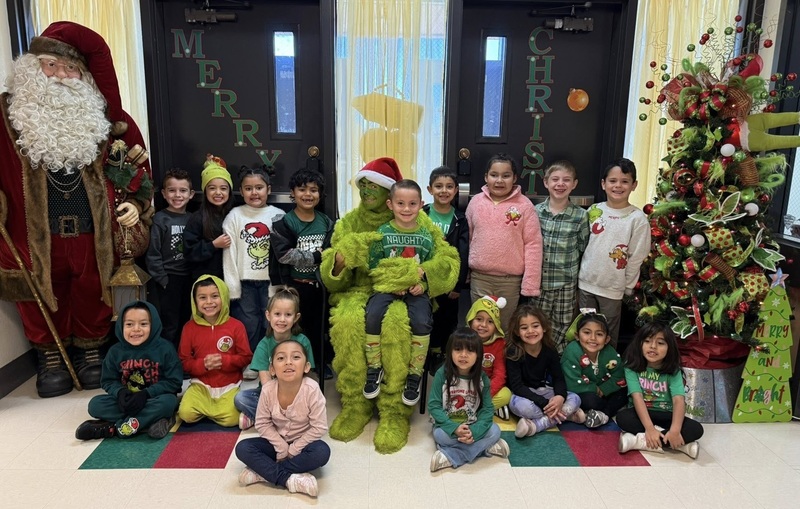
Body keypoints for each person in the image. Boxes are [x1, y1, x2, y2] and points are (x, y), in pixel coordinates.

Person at [0, 21, 154, 398]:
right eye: (51, 65)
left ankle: (90, 351)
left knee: (90, 288)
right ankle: (50, 355)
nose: (60, 76)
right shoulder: (7, 117)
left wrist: (135, 202)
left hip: (91, 230)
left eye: (71, 68)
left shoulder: (107, 122)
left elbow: (139, 169)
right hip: (34, 234)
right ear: (33, 67)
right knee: (40, 289)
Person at [320, 157, 459, 453]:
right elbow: (332, 280)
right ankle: (356, 403)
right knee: (347, 320)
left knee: (397, 322)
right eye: (363, 185)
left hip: (408, 291)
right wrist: (340, 261)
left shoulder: (418, 220)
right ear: (391, 202)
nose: (367, 191)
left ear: (387, 193)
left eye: (374, 186)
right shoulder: (349, 223)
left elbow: (449, 260)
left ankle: (395, 410)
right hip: (359, 290)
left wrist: (423, 275)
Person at [363, 178, 448, 407]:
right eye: (400, 203)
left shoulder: (426, 236)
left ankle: (415, 374)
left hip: (416, 291)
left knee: (421, 321)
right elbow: (374, 266)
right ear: (390, 204)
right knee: (372, 315)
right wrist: (392, 283)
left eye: (412, 204)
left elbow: (432, 268)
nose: (406, 209)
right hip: (386, 288)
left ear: (421, 204)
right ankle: (374, 368)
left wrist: (424, 286)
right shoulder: (382, 233)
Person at [235, 340, 330, 498]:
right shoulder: (268, 389)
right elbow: (262, 423)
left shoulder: (312, 389)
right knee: (243, 448)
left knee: (322, 452)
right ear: (272, 369)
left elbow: (319, 427)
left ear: (306, 367)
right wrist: (281, 447)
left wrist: (293, 449)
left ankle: (263, 473)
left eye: (296, 357)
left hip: (303, 444)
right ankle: (288, 479)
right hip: (276, 442)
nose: (288, 362)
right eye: (281, 358)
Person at [75, 301, 182, 440]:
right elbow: (108, 381)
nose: (136, 329)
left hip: (154, 398)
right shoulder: (115, 352)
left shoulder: (165, 349)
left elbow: (174, 382)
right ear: (121, 326)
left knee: (168, 403)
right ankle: (150, 421)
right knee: (95, 405)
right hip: (126, 400)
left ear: (154, 325)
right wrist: (120, 392)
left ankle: (115, 428)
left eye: (143, 324)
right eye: (129, 324)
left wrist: (147, 393)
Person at [268, 168, 334, 380]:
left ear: (320, 194)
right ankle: (293, 364)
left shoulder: (326, 222)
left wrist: (325, 258)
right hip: (295, 286)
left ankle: (319, 363)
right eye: (302, 189)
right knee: (295, 328)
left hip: (320, 286)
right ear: (292, 193)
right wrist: (316, 256)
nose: (308, 194)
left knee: (319, 327)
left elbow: (331, 252)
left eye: (313, 190)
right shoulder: (284, 222)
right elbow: (284, 254)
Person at [466, 153, 543, 332]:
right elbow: (468, 239)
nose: (499, 180)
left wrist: (530, 285)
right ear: (486, 177)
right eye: (494, 175)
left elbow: (533, 245)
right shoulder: (476, 203)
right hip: (480, 278)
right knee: (480, 327)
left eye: (506, 175)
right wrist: (465, 275)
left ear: (514, 178)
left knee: (505, 327)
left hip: (510, 282)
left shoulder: (525, 206)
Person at [578, 158, 650, 347]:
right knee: (585, 331)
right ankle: (584, 363)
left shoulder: (637, 219)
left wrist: (627, 286)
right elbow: (583, 244)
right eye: (613, 181)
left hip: (613, 289)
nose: (618, 185)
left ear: (634, 185)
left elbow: (637, 256)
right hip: (586, 284)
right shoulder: (594, 211)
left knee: (607, 334)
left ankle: (608, 364)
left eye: (624, 181)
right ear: (603, 184)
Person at [234, 286, 316, 429]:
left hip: (296, 392)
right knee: (241, 398)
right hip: (270, 395)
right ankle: (279, 421)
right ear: (268, 315)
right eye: (277, 314)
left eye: (288, 315)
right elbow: (266, 383)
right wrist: (276, 403)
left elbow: (307, 376)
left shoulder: (303, 342)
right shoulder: (263, 345)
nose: (282, 319)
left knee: (313, 397)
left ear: (296, 317)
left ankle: (265, 419)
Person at [617, 323, 703, 459]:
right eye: (647, 341)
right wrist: (649, 429)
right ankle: (680, 445)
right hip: (642, 414)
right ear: (639, 344)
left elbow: (678, 400)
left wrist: (675, 430)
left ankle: (638, 441)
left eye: (660, 343)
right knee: (623, 418)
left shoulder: (673, 371)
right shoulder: (631, 367)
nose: (653, 346)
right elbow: (637, 397)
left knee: (696, 429)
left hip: (667, 414)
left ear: (670, 348)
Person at [428, 327, 509, 472]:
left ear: (478, 355)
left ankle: (452, 456)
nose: (463, 355)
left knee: (495, 430)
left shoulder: (482, 378)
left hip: (473, 424)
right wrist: (454, 428)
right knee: (440, 436)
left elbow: (487, 409)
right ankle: (485, 448)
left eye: (470, 351)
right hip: (448, 425)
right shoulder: (442, 374)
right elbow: (434, 406)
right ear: (450, 352)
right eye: (458, 349)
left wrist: (474, 432)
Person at [223, 166, 286, 351]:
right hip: (245, 284)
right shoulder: (234, 216)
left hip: (271, 282)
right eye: (248, 188)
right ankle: (250, 359)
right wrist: (232, 287)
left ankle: (272, 358)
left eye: (259, 187)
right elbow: (229, 254)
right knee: (248, 324)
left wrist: (283, 282)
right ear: (241, 191)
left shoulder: (278, 215)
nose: (254, 193)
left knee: (272, 323)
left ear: (268, 189)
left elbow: (283, 252)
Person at [178, 275, 253, 427]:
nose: (209, 302)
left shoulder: (236, 326)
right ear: (195, 301)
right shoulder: (189, 328)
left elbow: (246, 357)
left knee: (231, 420)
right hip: (200, 385)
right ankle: (212, 411)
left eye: (214, 296)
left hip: (229, 385)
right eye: (202, 297)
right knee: (185, 414)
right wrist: (203, 365)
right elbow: (183, 362)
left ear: (224, 297)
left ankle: (214, 411)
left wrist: (225, 361)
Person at [531, 160, 589, 353]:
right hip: (540, 283)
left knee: (562, 327)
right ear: (546, 182)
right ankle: (537, 359)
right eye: (555, 179)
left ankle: (556, 362)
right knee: (537, 323)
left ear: (574, 184)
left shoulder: (580, 216)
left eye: (566, 180)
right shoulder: (535, 212)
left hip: (566, 284)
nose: (560, 184)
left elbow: (583, 247)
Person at [505, 304, 582, 437]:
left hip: (542, 391)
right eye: (524, 328)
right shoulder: (513, 351)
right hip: (522, 396)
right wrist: (544, 403)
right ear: (517, 332)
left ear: (544, 327)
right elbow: (517, 387)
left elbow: (558, 378)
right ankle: (565, 416)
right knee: (525, 409)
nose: (530, 331)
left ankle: (537, 425)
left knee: (575, 398)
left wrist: (559, 397)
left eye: (535, 326)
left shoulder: (549, 349)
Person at [422, 166, 469, 366]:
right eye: (439, 186)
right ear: (430, 189)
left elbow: (464, 253)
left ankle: (443, 352)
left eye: (449, 186)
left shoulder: (460, 219)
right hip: (425, 277)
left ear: (456, 190)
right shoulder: (422, 214)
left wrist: (458, 285)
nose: (444, 191)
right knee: (426, 316)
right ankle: (427, 353)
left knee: (447, 317)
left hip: (449, 280)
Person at [146, 168, 195, 348]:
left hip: (189, 278)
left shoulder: (193, 219)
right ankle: (168, 355)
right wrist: (162, 279)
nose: (177, 195)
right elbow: (153, 253)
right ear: (164, 194)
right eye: (172, 190)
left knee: (185, 320)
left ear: (191, 194)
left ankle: (182, 356)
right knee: (169, 322)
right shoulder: (160, 219)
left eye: (183, 190)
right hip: (168, 279)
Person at [560, 310, 627, 428]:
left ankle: (603, 415)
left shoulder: (609, 352)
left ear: (606, 339)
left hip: (602, 391)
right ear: (577, 335)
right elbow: (571, 383)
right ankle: (601, 411)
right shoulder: (572, 351)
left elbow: (619, 375)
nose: (593, 338)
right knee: (591, 401)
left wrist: (604, 389)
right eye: (587, 332)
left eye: (599, 334)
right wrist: (595, 389)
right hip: (580, 392)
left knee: (625, 392)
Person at [183, 154, 233, 282]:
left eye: (223, 188)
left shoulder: (235, 215)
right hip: (206, 280)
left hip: (231, 279)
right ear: (205, 191)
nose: (218, 192)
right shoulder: (197, 218)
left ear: (229, 191)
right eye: (212, 188)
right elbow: (189, 252)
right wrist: (213, 245)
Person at [466, 295, 512, 420]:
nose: (483, 325)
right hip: (465, 385)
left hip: (486, 387)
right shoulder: (462, 339)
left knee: (506, 394)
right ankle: (487, 409)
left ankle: (475, 409)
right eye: (479, 319)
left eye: (490, 321)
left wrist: (486, 394)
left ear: (496, 325)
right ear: (471, 319)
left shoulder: (499, 344)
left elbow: (500, 374)